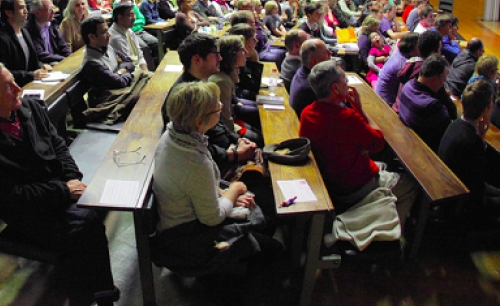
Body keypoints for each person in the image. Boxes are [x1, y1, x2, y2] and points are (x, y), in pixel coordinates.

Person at [0, 60, 119, 306]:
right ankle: (93, 295)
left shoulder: (29, 108)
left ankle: (95, 293)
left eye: (14, 81)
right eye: (7, 87)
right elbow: (13, 197)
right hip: (28, 213)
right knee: (85, 226)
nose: (18, 89)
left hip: (55, 191)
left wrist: (71, 178)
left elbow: (58, 144)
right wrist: (63, 190)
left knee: (92, 212)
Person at [152, 81, 282, 278]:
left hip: (183, 217)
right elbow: (212, 217)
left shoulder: (173, 134)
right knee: (275, 250)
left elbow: (194, 187)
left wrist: (223, 194)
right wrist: (235, 189)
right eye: (216, 107)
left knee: (263, 221)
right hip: (187, 236)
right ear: (199, 121)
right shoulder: (194, 162)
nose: (221, 107)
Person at [299, 61, 416, 229]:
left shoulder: (307, 113)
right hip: (353, 188)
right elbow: (378, 142)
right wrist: (360, 109)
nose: (347, 84)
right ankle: (392, 233)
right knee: (410, 184)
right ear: (335, 89)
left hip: (331, 180)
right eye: (345, 80)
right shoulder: (347, 117)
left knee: (381, 165)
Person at [439, 79, 500, 223]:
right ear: (485, 110)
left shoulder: (455, 125)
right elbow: (478, 190)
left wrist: (482, 137)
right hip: (462, 203)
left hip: (452, 187)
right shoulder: (471, 142)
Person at [0, 0, 51, 85]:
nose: (26, 11)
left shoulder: (24, 31)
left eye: (25, 7)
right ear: (8, 13)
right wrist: (31, 75)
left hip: (31, 83)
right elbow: (2, 73)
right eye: (21, 8)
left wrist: (41, 65)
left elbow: (32, 61)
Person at [398, 54, 456, 152]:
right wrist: (442, 93)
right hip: (424, 152)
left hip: (408, 140)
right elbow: (450, 124)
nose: (444, 84)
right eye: (443, 79)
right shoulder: (432, 106)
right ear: (434, 79)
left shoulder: (407, 86)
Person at [79, 16, 136, 108]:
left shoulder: (107, 47)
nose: (109, 35)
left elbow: (129, 62)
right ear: (92, 37)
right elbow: (120, 82)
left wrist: (121, 71)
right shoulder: (91, 63)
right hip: (108, 102)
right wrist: (125, 70)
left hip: (122, 93)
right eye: (104, 32)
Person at [289, 39, 332, 118]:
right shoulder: (312, 87)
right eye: (327, 53)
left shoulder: (302, 71)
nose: (331, 53)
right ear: (314, 61)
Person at [375, 33, 420, 107]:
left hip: (380, 94)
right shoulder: (403, 63)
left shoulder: (399, 52)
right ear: (412, 47)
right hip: (386, 102)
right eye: (419, 46)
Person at [25, 0, 71, 64]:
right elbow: (41, 55)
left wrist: (70, 57)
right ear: (37, 13)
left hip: (58, 60)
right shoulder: (28, 29)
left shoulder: (52, 23)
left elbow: (63, 46)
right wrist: (64, 59)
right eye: (49, 9)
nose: (53, 12)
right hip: (44, 65)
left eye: (53, 8)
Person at [108, 3, 148, 71]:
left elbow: (140, 55)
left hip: (138, 70)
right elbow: (128, 65)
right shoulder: (116, 38)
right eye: (130, 15)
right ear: (120, 18)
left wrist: (146, 72)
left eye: (134, 14)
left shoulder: (128, 30)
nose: (134, 18)